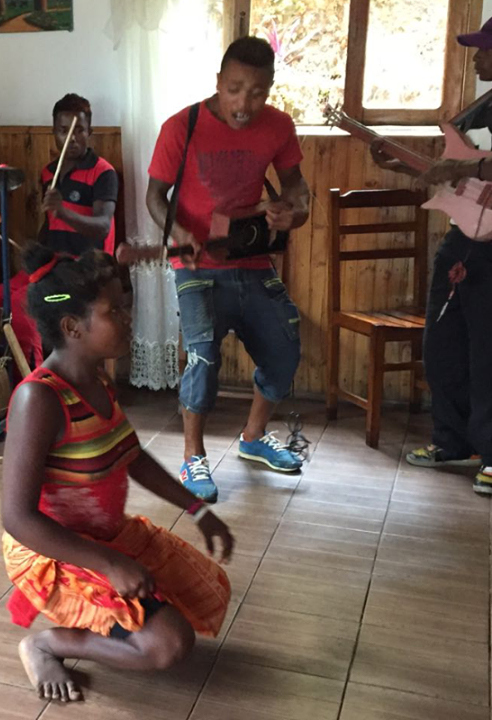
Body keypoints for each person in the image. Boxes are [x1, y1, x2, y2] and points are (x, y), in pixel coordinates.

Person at [2, 245, 233, 703]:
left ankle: (93, 610)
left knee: (207, 591)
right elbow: (17, 518)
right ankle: (46, 644)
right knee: (169, 644)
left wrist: (196, 508)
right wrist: (108, 563)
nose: (128, 319)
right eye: (115, 311)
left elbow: (130, 454)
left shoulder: (98, 382)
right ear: (72, 328)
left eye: (125, 308)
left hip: (104, 536)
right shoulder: (39, 400)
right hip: (53, 551)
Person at [145, 36, 311, 502]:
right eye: (235, 89)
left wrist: (290, 213)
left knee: (284, 348)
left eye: (257, 92)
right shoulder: (183, 125)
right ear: (218, 83)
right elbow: (154, 197)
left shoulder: (278, 126)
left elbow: (299, 192)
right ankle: (193, 458)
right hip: (194, 262)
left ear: (270, 87)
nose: (244, 103)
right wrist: (178, 234)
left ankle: (254, 439)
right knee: (202, 355)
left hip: (252, 258)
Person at [374, 10, 492, 496]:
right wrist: (398, 164)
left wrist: (475, 167)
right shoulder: (477, 112)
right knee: (442, 345)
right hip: (464, 237)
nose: (478, 57)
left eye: (489, 47)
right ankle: (452, 441)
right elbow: (451, 175)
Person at [0, 93, 119, 370]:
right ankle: (25, 372)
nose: (71, 138)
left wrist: (64, 212)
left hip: (85, 272)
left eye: (79, 130)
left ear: (89, 133)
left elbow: (103, 225)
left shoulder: (103, 172)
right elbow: (51, 224)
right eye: (63, 131)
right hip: (53, 266)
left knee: (38, 304)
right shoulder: (49, 173)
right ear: (54, 133)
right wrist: (33, 247)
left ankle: (39, 375)